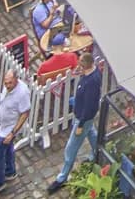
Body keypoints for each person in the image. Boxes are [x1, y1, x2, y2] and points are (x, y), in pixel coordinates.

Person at [47, 47, 105, 192]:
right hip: (83, 115)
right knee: (92, 134)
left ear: (86, 66)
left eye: (80, 64)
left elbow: (90, 105)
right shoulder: (91, 74)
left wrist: (81, 124)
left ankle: (62, 178)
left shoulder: (91, 82)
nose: (78, 66)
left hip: (82, 119)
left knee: (70, 149)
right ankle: (98, 154)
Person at [0, 63, 32, 191]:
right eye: (6, 83)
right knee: (9, 149)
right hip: (3, 124)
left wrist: (12, 133)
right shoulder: (7, 87)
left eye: (10, 83)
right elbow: (3, 103)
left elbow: (25, 113)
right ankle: (10, 171)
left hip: (9, 129)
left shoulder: (22, 93)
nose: (7, 86)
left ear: (16, 80)